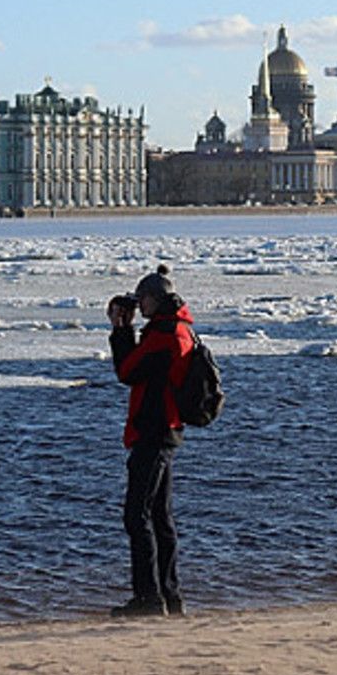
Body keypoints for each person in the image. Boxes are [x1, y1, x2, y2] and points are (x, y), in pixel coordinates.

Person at [106, 264, 195, 617]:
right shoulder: (179, 329)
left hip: (153, 433)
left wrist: (120, 331)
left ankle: (148, 598)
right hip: (166, 430)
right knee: (159, 516)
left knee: (137, 516)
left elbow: (127, 371)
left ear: (156, 300)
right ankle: (169, 597)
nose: (137, 307)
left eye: (141, 300)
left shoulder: (163, 337)